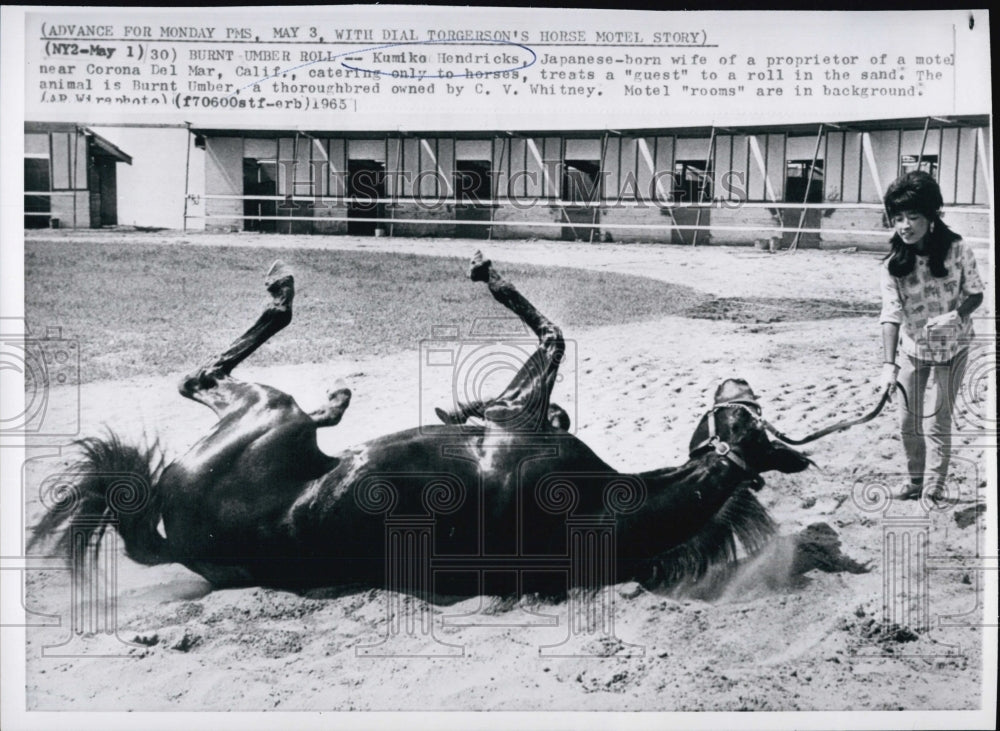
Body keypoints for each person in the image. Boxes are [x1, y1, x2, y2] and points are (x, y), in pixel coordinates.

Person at [877, 171, 984, 502]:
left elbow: (976, 293)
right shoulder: (893, 264)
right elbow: (890, 315)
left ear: (931, 215)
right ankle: (915, 480)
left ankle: (933, 487)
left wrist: (957, 314)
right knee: (908, 422)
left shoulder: (958, 249)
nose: (905, 225)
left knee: (938, 421)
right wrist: (887, 364)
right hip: (913, 350)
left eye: (913, 216)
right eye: (898, 218)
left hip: (955, 348)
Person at [435, 251, 571, 432]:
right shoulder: (520, 406)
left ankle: (487, 273)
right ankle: (461, 412)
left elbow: (555, 423)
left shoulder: (525, 410)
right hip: (515, 416)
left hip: (520, 417)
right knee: (553, 337)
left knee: (554, 336)